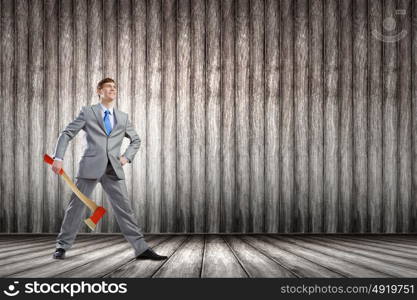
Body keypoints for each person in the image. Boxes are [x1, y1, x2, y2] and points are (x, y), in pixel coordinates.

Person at [51, 77, 166, 261]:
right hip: (90, 167)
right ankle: (62, 246)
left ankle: (141, 248)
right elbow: (67, 134)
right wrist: (58, 158)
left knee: (125, 209)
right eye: (108, 87)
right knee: (76, 207)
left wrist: (126, 157)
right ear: (99, 91)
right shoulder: (88, 112)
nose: (113, 89)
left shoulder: (123, 117)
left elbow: (136, 140)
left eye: (114, 87)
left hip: (113, 169)